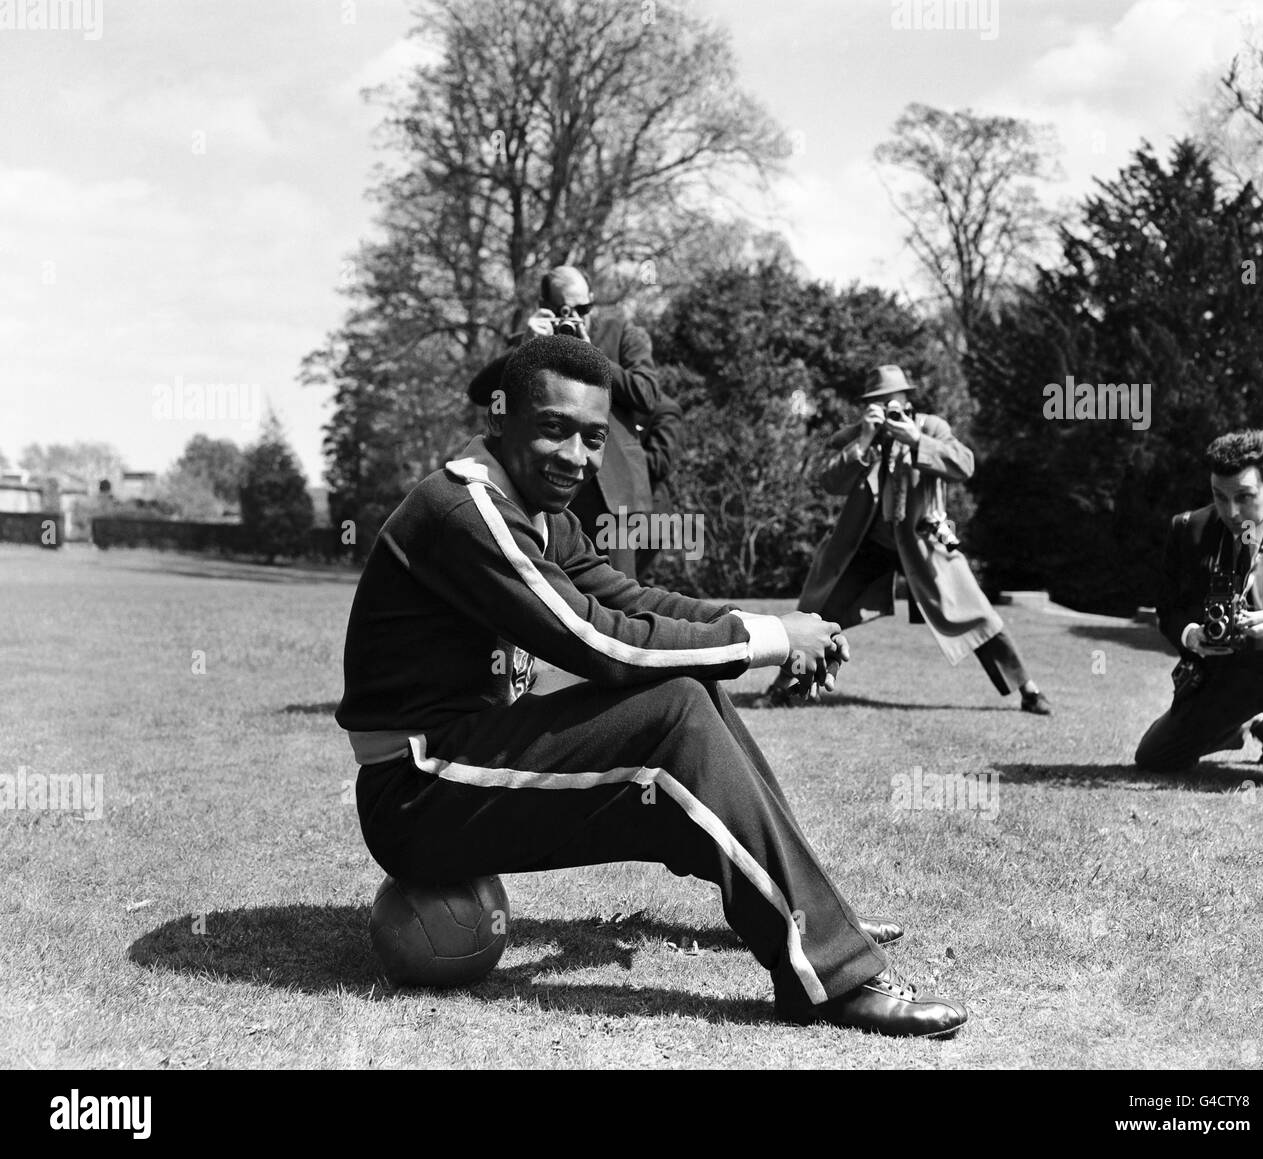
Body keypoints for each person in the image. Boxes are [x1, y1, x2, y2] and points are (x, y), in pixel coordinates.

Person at [337, 336, 968, 1038]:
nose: (576, 456)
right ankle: (827, 974)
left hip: (469, 759)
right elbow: (599, 641)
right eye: (552, 428)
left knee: (695, 696)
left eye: (593, 437)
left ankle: (808, 915)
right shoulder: (467, 509)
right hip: (418, 790)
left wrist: (778, 623)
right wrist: (772, 643)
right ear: (500, 419)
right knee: (673, 714)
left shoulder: (543, 513)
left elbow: (632, 600)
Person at [767, 365, 1051, 713]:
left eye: (891, 399)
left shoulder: (931, 427)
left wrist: (916, 441)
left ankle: (1029, 690)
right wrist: (865, 441)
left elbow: (964, 465)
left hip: (921, 543)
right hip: (866, 545)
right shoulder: (859, 434)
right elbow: (829, 482)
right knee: (820, 614)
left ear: (905, 398)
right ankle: (786, 684)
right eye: (876, 401)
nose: (886, 406)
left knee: (975, 613)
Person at [1135, 429, 1263, 782]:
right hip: (1226, 673)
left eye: (1244, 496)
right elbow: (1168, 609)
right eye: (1219, 496)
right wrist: (1192, 633)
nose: (1231, 510)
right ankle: (1254, 720)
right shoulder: (1188, 529)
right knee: (1155, 757)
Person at [519, 265, 659, 578]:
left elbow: (648, 395)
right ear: (545, 305)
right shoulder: (533, 338)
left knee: (619, 597)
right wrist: (527, 348)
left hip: (615, 492)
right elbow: (486, 394)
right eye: (564, 309)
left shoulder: (622, 330)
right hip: (552, 488)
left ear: (592, 299)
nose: (576, 317)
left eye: (584, 308)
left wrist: (592, 355)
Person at [635, 392, 685, 582]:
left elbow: (660, 464)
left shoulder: (664, 409)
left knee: (637, 586)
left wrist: (620, 452)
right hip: (608, 513)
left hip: (649, 513)